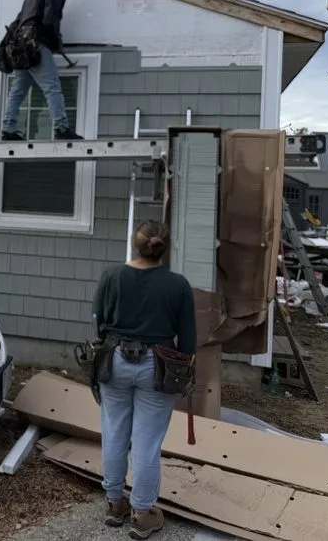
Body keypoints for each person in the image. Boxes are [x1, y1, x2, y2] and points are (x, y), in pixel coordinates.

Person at [91, 220, 196, 539]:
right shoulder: (178, 285)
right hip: (158, 365)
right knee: (147, 442)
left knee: (113, 432)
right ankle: (141, 512)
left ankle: (114, 504)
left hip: (114, 360)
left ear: (136, 244)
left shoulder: (111, 275)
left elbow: (99, 321)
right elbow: (188, 341)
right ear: (164, 249)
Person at [0, 0, 84, 141]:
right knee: (52, 87)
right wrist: (56, 41)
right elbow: (50, 17)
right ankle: (61, 128)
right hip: (36, 44)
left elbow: (18, 21)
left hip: (22, 47)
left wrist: (6, 46)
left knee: (18, 90)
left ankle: (8, 129)